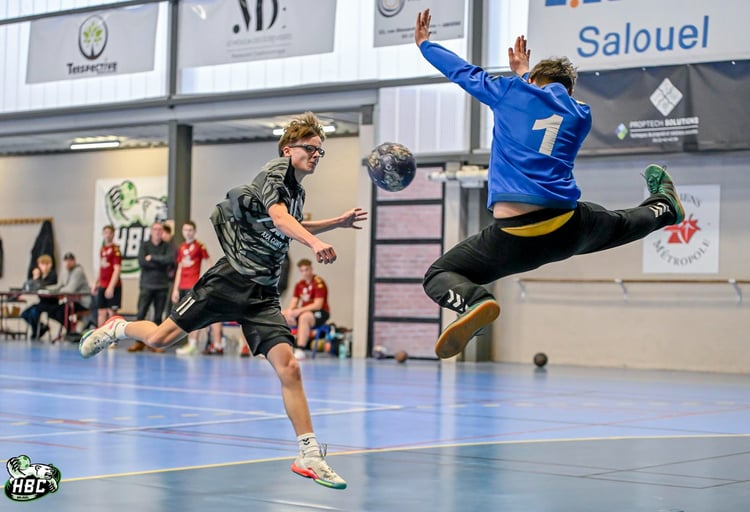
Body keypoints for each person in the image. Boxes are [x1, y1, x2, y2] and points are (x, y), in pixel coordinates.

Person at [79, 111, 368, 490]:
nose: (316, 155)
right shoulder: (274, 174)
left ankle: (309, 454)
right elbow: (281, 219)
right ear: (288, 149)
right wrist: (315, 243)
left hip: (262, 293)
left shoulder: (297, 191)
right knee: (161, 338)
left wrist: (336, 223)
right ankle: (118, 327)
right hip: (230, 279)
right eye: (310, 149)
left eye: (320, 151)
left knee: (290, 368)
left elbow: (285, 223)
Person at [415, 9, 686, 359]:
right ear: (570, 90)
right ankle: (666, 207)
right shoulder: (580, 114)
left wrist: (425, 44)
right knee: (622, 223)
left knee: (439, 274)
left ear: (533, 80)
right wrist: (527, 76)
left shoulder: (509, 92)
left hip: (514, 237)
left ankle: (473, 300)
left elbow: (462, 72)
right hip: (567, 228)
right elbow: (549, 101)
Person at [171, 221, 224, 356]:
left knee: (193, 315)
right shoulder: (181, 247)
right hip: (183, 286)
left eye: (190, 230)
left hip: (194, 286)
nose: (188, 233)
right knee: (186, 316)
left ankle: (193, 344)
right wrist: (175, 289)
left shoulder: (200, 246)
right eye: (185, 230)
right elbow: (180, 268)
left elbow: (209, 264)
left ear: (194, 231)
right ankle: (192, 343)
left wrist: (208, 281)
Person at [126, 221, 175, 353]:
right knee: (141, 314)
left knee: (158, 316)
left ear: (162, 232)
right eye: (155, 229)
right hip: (146, 285)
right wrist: (160, 262)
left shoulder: (167, 246)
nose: (157, 232)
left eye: (160, 230)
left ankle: (154, 343)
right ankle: (139, 342)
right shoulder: (145, 245)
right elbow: (142, 262)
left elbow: (170, 260)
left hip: (162, 286)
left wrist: (152, 258)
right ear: (151, 231)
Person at [282, 259, 330, 360]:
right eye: (302, 270)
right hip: (303, 311)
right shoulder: (299, 284)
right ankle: (278, 349)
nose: (305, 273)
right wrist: (290, 312)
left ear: (311, 269)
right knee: (281, 315)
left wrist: (298, 311)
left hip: (320, 313)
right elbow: (294, 302)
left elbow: (317, 305)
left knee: (304, 317)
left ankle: (300, 350)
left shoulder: (318, 283)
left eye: (307, 269)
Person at [36, 252, 91, 336]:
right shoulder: (65, 272)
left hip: (82, 302)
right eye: (66, 261)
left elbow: (70, 290)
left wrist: (57, 292)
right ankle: (70, 330)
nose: (68, 263)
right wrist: (45, 289)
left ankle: (72, 331)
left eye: (70, 260)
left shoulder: (78, 272)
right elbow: (58, 286)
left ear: (74, 261)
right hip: (71, 301)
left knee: (60, 311)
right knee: (53, 311)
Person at [20, 254, 58, 339]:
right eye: (41, 264)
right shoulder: (40, 276)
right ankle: (40, 328)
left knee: (34, 312)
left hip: (51, 303)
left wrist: (37, 280)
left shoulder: (52, 275)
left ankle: (36, 331)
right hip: (41, 302)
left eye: (46, 264)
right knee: (25, 314)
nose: (43, 267)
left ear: (50, 264)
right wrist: (35, 278)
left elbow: (43, 287)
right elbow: (31, 287)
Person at [93, 225, 122, 328]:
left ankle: (112, 336)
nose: (107, 235)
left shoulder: (115, 250)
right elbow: (101, 267)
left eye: (110, 233)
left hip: (113, 285)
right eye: (105, 232)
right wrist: (96, 283)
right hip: (103, 285)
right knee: (101, 311)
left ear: (113, 234)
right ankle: (99, 334)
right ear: (103, 234)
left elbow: (117, 269)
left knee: (112, 313)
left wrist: (111, 287)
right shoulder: (103, 249)